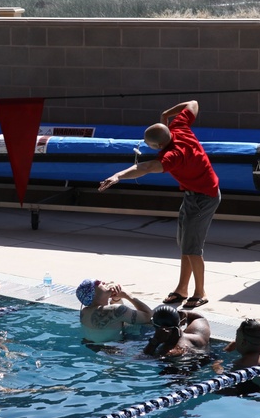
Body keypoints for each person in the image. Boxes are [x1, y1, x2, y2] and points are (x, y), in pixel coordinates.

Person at [98, 100, 221, 310]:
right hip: (193, 196)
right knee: (185, 244)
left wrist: (118, 175)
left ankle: (200, 292)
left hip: (204, 198)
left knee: (193, 248)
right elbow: (193, 103)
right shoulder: (179, 127)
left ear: (158, 146)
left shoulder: (172, 156)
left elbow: (145, 167)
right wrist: (165, 114)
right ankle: (182, 289)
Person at [77, 278, 153, 343]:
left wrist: (116, 299)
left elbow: (116, 317)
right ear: (92, 293)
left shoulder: (84, 312)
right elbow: (149, 315)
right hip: (118, 352)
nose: (103, 282)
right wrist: (128, 295)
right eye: (98, 282)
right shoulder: (115, 310)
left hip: (97, 349)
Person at [143, 304, 211, 359]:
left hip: (180, 372)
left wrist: (155, 342)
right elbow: (199, 317)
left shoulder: (167, 352)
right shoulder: (199, 337)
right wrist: (184, 313)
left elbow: (142, 359)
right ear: (181, 322)